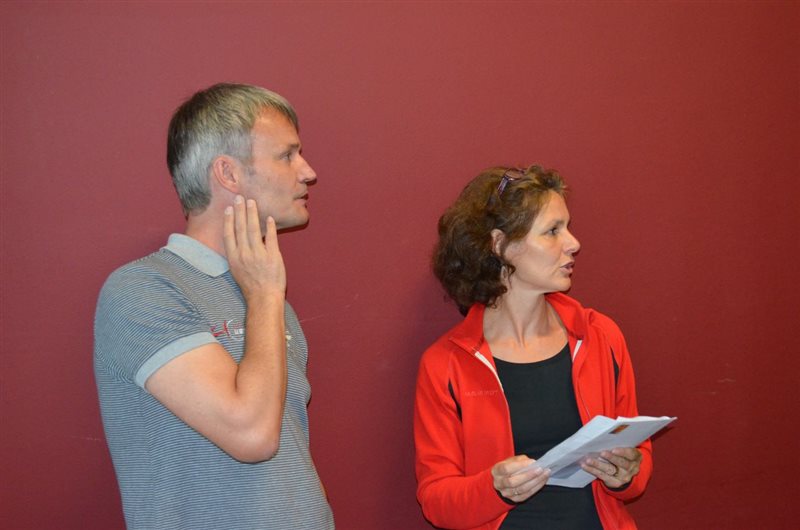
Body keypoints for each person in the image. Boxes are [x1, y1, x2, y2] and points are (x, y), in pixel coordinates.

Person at [94, 83, 335, 530]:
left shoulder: (265, 296)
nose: (308, 172)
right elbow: (251, 435)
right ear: (228, 173)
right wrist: (264, 294)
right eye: (287, 155)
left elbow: (286, 459)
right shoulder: (142, 290)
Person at [414, 166, 652, 529]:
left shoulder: (600, 336)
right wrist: (493, 488)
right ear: (500, 245)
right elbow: (436, 501)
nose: (574, 243)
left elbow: (638, 461)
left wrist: (627, 473)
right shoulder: (445, 364)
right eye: (553, 231)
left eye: (567, 227)